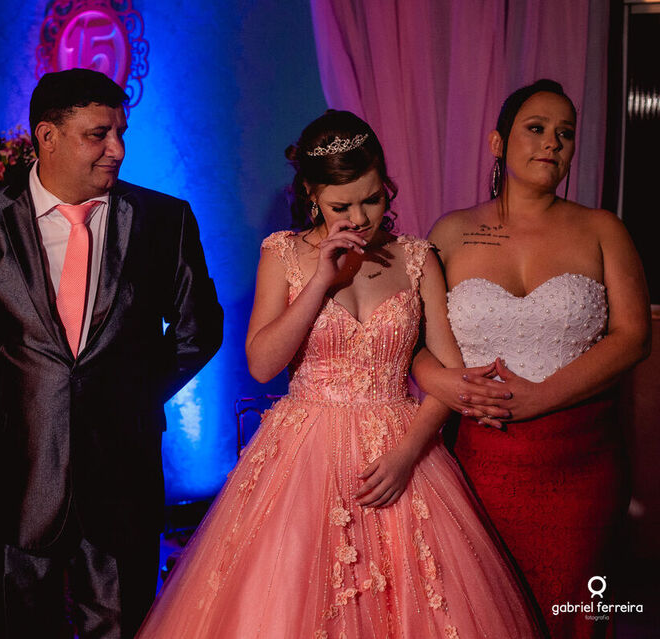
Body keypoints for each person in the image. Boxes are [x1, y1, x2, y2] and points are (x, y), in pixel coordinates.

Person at [136, 110, 545, 638]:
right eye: (340, 207)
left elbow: (449, 375)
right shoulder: (283, 253)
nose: (360, 219)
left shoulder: (416, 258)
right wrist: (320, 283)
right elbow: (262, 364)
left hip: (402, 447)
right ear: (312, 195)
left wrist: (407, 455)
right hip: (304, 453)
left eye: (371, 199)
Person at [0, 67, 223, 639]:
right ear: (47, 136)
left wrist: (132, 396)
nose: (117, 149)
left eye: (120, 132)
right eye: (98, 134)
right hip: (16, 478)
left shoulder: (165, 220)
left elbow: (199, 329)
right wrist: (17, 400)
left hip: (124, 476)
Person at [415, 79, 651, 638]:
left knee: (577, 612)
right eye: (537, 128)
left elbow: (634, 336)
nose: (552, 143)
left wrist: (541, 397)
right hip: (478, 458)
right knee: (479, 613)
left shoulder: (602, 228)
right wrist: (445, 385)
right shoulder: (452, 231)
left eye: (565, 134)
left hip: (581, 462)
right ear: (498, 143)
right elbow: (410, 339)